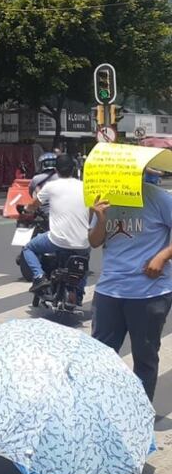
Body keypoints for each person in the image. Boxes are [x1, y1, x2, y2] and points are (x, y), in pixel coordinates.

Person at [89, 178, 172, 401]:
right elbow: (94, 241)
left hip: (149, 292)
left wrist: (162, 256)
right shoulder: (103, 198)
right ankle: (102, 409)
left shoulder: (158, 198)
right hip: (109, 291)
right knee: (99, 355)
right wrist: (99, 218)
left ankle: (140, 413)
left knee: (145, 357)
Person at [22, 155, 90, 302]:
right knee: (84, 261)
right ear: (74, 170)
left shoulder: (51, 186)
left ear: (56, 170)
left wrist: (27, 209)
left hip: (57, 240)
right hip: (83, 241)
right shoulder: (86, 187)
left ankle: (39, 277)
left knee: (28, 248)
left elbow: (34, 204)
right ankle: (78, 292)